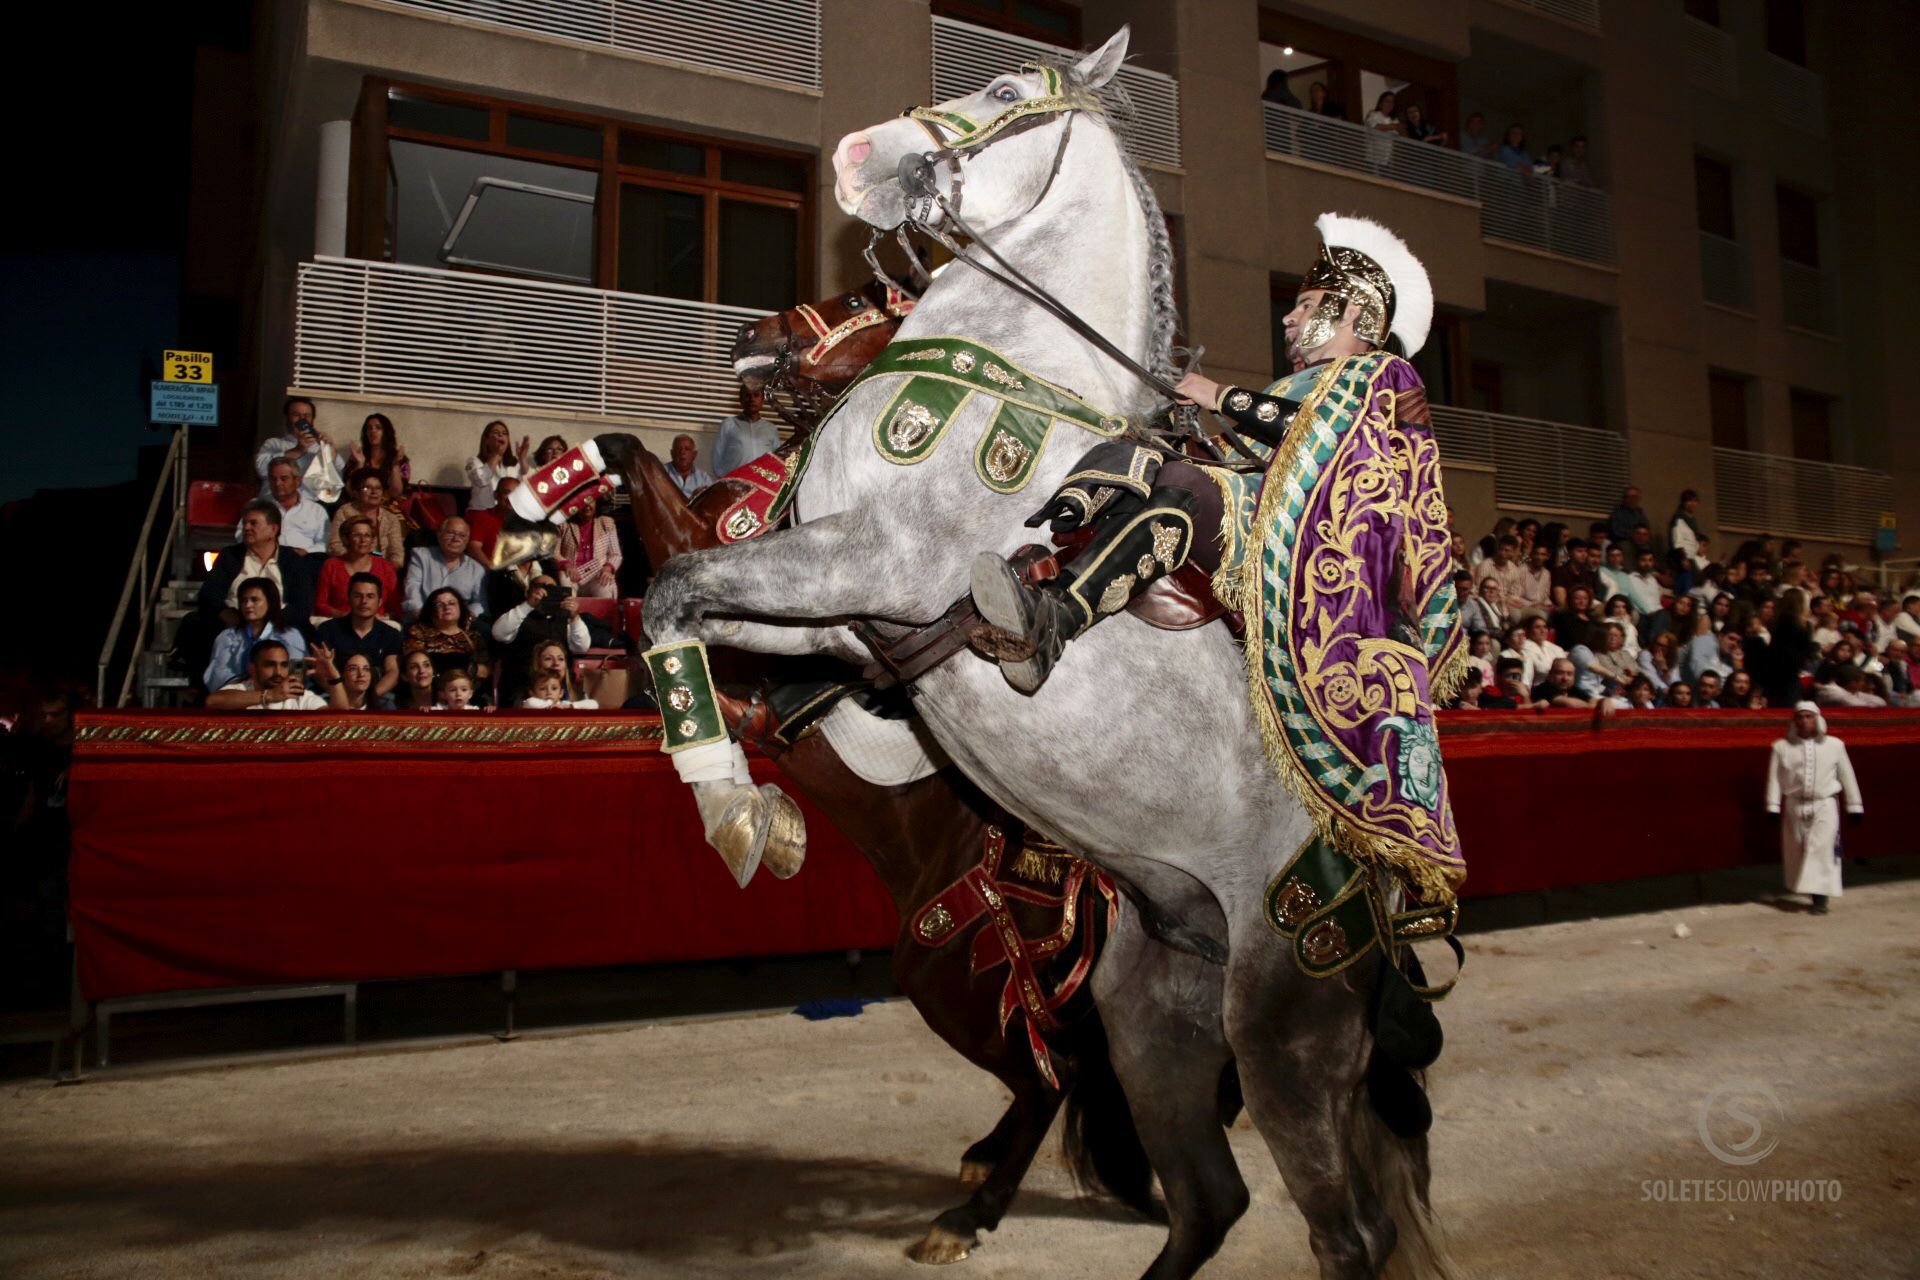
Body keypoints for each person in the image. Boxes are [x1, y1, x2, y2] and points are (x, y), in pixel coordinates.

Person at [184, 500, 315, 687]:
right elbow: (209, 594)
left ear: (273, 529)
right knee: (198, 624)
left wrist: (269, 622)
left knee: (301, 633)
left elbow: (301, 605)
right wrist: (229, 615)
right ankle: (208, 689)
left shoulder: (293, 560)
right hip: (236, 620)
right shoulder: (231, 555)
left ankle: (297, 687)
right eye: (244, 523)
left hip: (280, 622)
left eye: (254, 523)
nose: (246, 528)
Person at [1765, 703, 1862, 914]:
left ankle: (1820, 899)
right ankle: (1806, 889)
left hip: (1824, 804)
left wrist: (1854, 805)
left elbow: (1847, 775)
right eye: (1800, 717)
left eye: (1809, 716)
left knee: (1822, 849)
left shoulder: (1835, 745)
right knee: (1798, 847)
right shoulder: (1781, 747)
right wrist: (1772, 806)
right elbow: (1775, 779)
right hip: (1794, 805)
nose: (1804, 721)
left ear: (1817, 719)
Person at [490, 575, 591, 706]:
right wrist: (528, 605)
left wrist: (575, 616)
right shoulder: (520, 613)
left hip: (559, 688)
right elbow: (498, 633)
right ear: (528, 592)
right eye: (540, 586)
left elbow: (582, 647)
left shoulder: (565, 618)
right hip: (523, 688)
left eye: (551, 587)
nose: (545, 591)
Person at [203, 576, 308, 693]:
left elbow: (297, 675)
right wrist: (249, 687)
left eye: (254, 600)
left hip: (281, 698)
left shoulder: (291, 636)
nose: (248, 605)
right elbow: (217, 675)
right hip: (237, 699)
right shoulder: (227, 637)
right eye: (244, 600)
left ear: (270, 602)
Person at [314, 574, 403, 699]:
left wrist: (367, 700)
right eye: (357, 596)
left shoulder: (391, 634)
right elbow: (320, 672)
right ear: (349, 599)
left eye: (370, 596)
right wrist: (343, 697)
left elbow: (392, 673)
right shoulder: (328, 629)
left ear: (380, 602)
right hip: (333, 695)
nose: (364, 601)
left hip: (376, 698)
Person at [254, 397, 345, 505]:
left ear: (312, 420)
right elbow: (262, 469)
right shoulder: (273, 444)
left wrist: (329, 451)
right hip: (273, 504)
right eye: (296, 415)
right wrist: (298, 450)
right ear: (287, 417)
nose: (302, 419)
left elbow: (336, 484)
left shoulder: (320, 447)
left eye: (307, 416)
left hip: (308, 507)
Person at [204, 640, 330, 711]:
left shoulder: (298, 696)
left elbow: (331, 720)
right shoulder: (241, 689)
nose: (278, 672)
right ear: (252, 669)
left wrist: (334, 679)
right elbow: (212, 701)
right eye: (270, 665)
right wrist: (269, 695)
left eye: (284, 665)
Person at [406, 587, 493, 688]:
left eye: (451, 603)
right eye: (439, 604)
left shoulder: (473, 636)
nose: (447, 607)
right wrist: (466, 666)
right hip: (432, 692)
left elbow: (484, 671)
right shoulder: (419, 632)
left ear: (460, 607)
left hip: (468, 693)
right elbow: (417, 665)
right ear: (431, 610)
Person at [404, 517, 488, 622]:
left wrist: (468, 617)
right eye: (450, 533)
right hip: (422, 615)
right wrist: (420, 613)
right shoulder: (421, 556)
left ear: (467, 541)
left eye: (462, 536)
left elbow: (479, 602)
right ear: (439, 534)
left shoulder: (476, 569)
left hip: (458, 621)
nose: (456, 539)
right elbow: (412, 586)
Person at [314, 517, 400, 619]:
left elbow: (396, 608)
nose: (363, 540)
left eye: (367, 535)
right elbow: (320, 604)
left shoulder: (386, 567)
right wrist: (342, 615)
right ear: (346, 539)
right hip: (339, 622)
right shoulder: (331, 565)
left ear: (372, 540)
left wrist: (383, 617)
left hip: (377, 624)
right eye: (357, 535)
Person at [326, 469, 406, 567]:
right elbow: (334, 546)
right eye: (367, 488)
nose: (374, 492)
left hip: (381, 569)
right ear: (356, 492)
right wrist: (360, 560)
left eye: (378, 488)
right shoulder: (344, 512)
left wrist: (387, 570)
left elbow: (397, 553)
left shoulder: (391, 518)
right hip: (349, 565)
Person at [249, 458, 329, 554]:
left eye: (284, 478)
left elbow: (325, 543)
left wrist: (306, 551)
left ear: (297, 481)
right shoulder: (257, 507)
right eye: (273, 479)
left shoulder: (315, 511)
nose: (278, 483)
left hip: (304, 561)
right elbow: (241, 536)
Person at [557, 493, 623, 598]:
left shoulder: (605, 523)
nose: (587, 506)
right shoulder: (564, 526)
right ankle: (570, 613)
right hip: (572, 574)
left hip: (597, 574)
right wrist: (566, 565)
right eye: (582, 502)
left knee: (605, 585)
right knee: (564, 577)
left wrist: (608, 568)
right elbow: (553, 552)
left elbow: (615, 554)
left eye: (590, 501)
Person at [713, 387, 782, 478]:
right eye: (747, 395)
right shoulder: (729, 424)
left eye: (756, 395)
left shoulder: (771, 429)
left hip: (762, 484)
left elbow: (778, 461)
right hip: (734, 484)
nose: (752, 399)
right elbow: (717, 459)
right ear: (740, 399)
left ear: (762, 400)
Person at [465, 420, 529, 512]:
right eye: (496, 433)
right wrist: (497, 454)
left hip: (509, 514)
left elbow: (526, 484)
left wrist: (522, 459)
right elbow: (481, 480)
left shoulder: (514, 463)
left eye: (504, 433)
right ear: (486, 440)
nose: (500, 435)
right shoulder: (474, 461)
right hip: (482, 512)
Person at [346, 413, 410, 500]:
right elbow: (350, 491)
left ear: (386, 432)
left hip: (387, 507)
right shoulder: (358, 455)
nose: (373, 431)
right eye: (369, 428)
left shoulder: (398, 458)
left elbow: (395, 492)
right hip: (361, 505)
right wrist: (360, 464)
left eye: (378, 427)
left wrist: (395, 465)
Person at [311, 647, 388, 711]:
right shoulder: (323, 705)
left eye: (366, 669)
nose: (361, 674)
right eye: (353, 669)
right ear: (341, 674)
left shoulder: (386, 706)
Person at [1669, 489, 1710, 577]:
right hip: (1683, 561)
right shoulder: (1679, 519)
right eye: (1689, 501)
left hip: (1692, 559)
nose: (1692, 504)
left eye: (1695, 501)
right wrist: (1683, 559)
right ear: (1683, 502)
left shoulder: (1692, 520)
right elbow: (1677, 542)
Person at [521, 670, 600, 710]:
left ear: (561, 693)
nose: (549, 692)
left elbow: (594, 704)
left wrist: (570, 706)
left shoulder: (564, 704)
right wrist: (551, 705)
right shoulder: (530, 703)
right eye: (543, 689)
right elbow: (530, 702)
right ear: (532, 693)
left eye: (554, 688)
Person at [667, 434, 714, 500]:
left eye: (687, 449)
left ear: (694, 454)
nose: (682, 452)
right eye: (678, 449)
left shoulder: (704, 478)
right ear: (672, 453)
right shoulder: (661, 473)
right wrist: (692, 499)